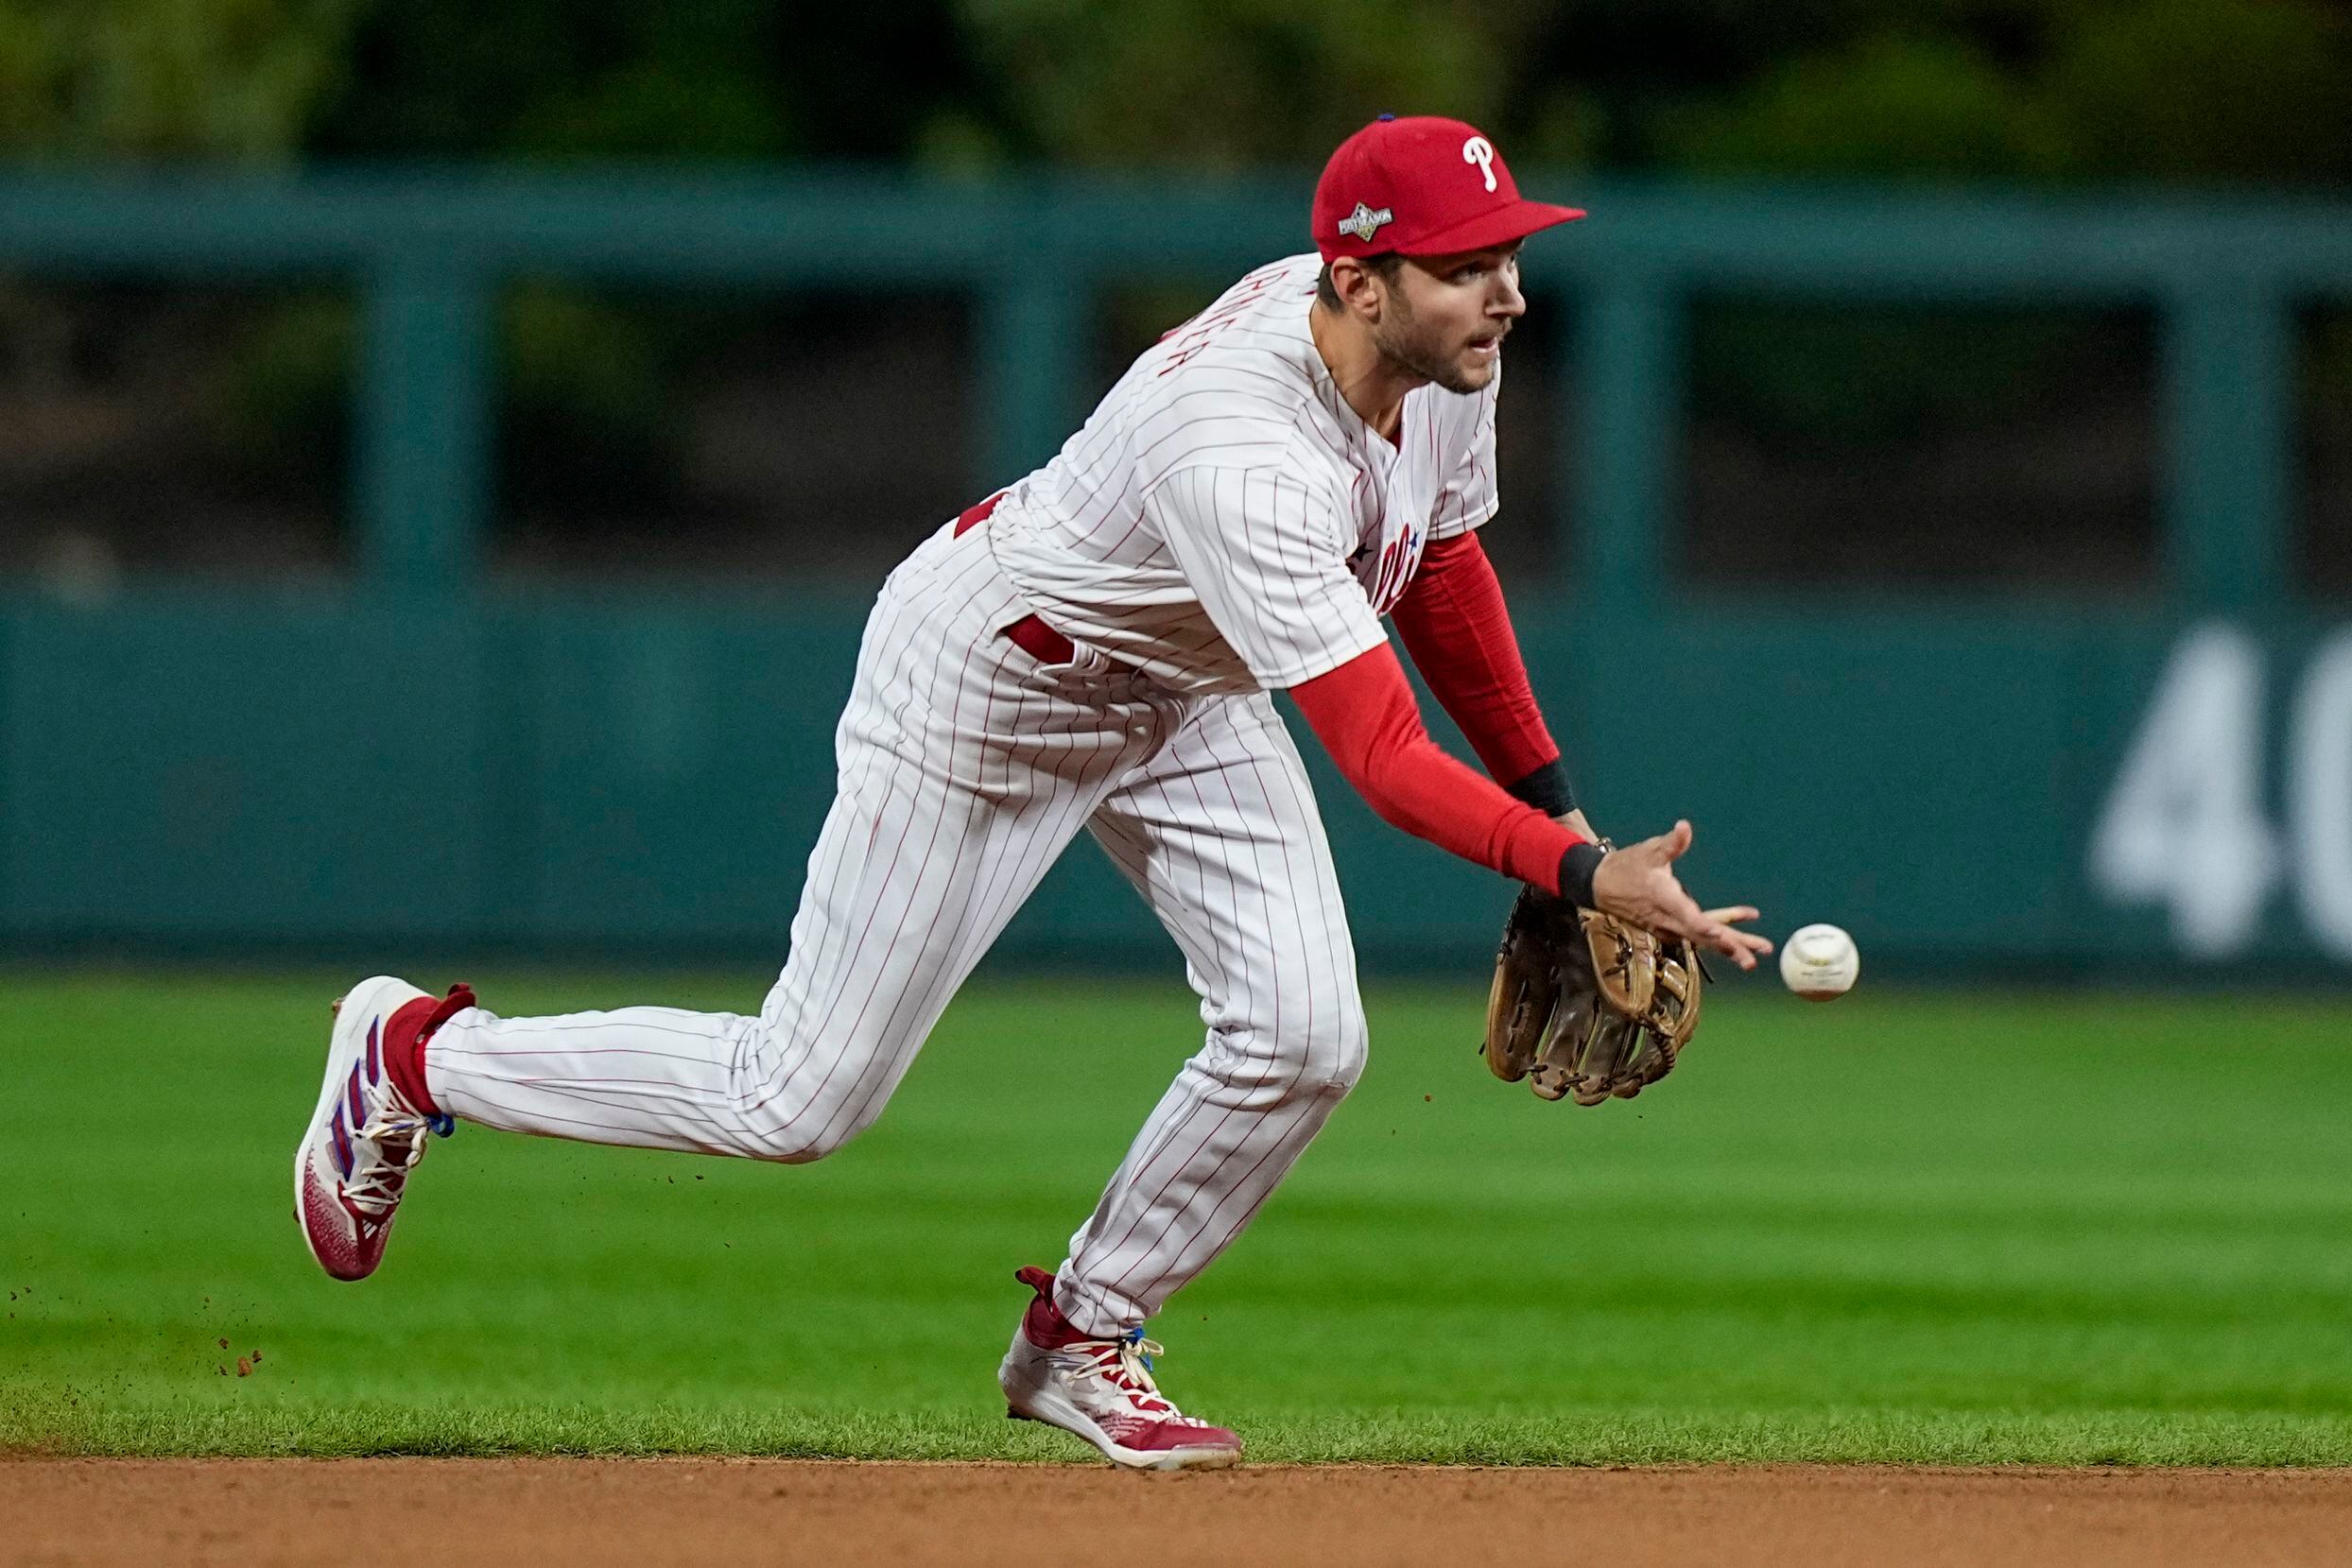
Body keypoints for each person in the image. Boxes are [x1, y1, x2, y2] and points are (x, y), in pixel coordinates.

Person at [293, 114, 1772, 1472]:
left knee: (1307, 1035)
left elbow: (1441, 564)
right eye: (1466, 266)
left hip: (1181, 686)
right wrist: (1581, 880)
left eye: (1510, 253)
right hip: (993, 683)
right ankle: (418, 1058)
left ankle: (1083, 1335)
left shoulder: (1441, 364)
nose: (1506, 292)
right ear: (1359, 279)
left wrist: (1557, 813)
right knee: (797, 1099)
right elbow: (1382, 763)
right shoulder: (1243, 452)